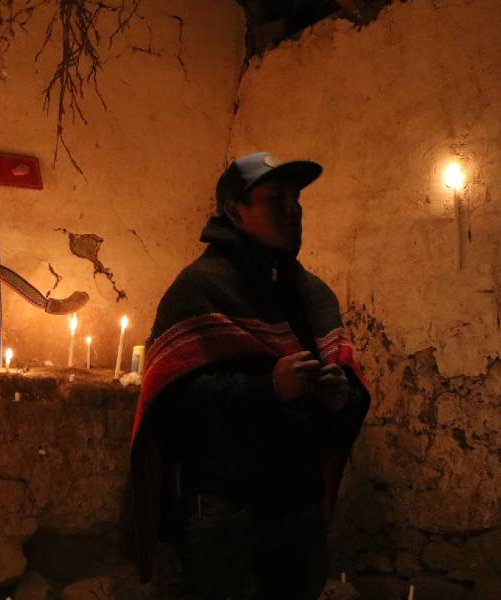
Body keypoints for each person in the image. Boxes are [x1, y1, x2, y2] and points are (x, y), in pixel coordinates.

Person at [129, 152, 371, 599]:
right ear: (235, 211)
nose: (293, 209)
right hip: (225, 510)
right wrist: (269, 388)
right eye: (275, 199)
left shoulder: (311, 293)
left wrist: (341, 397)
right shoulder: (200, 288)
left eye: (296, 198)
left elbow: (352, 394)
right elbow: (174, 408)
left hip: (298, 507)